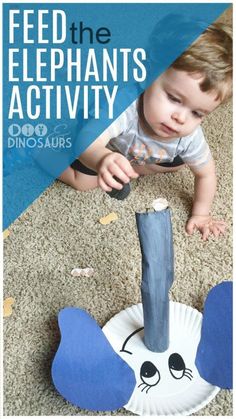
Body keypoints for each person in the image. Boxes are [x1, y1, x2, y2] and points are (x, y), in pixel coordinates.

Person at [58, 21, 232, 241]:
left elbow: (206, 173)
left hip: (145, 150)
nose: (180, 118)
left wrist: (201, 214)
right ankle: (37, 152)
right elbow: (86, 141)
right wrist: (102, 158)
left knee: (179, 163)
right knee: (83, 181)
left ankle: (134, 165)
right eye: (174, 99)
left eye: (198, 113)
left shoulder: (188, 135)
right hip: (104, 141)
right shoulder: (123, 106)